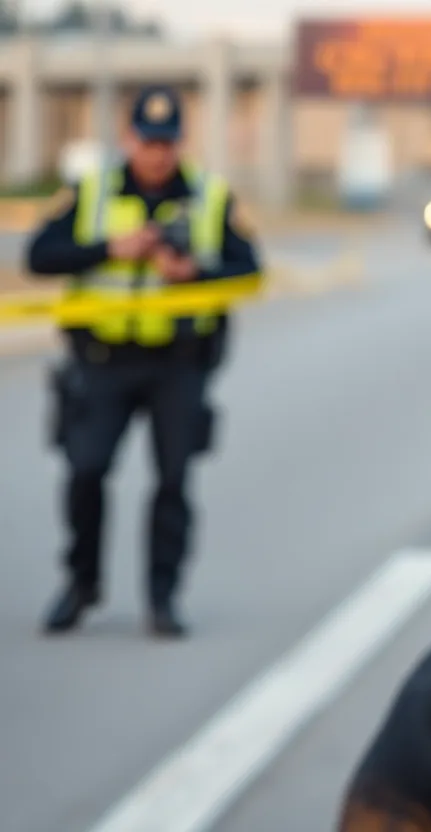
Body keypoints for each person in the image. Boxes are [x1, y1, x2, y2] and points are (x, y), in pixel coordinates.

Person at [24, 85, 262, 638]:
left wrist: (196, 272)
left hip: (178, 364)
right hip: (103, 361)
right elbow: (38, 256)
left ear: (180, 142)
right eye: (148, 142)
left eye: (168, 142)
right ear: (130, 139)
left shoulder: (209, 196)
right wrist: (111, 248)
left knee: (174, 482)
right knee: (85, 471)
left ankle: (163, 597)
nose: (157, 154)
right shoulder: (91, 193)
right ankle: (81, 583)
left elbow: (249, 269)